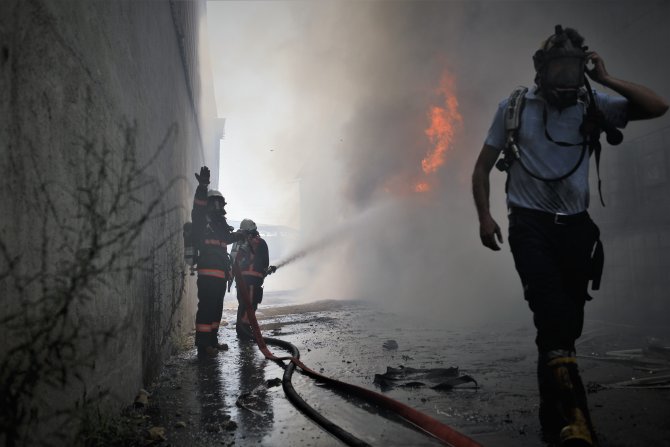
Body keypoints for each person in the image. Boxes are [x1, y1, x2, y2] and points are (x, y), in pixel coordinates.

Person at [472, 26, 667, 446]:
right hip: (530, 227)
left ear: (582, 70)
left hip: (576, 228)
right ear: (541, 70)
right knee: (553, 319)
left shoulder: (591, 105)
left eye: (572, 69)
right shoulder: (515, 109)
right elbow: (481, 168)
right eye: (558, 68)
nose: (565, 78)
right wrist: (485, 217)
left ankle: (552, 418)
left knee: (564, 330)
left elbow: (658, 106)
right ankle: (578, 421)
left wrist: (606, 79)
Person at [191, 166, 245, 358]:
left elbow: (227, 238)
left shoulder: (219, 224)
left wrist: (241, 234)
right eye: (217, 203)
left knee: (216, 309)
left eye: (221, 203)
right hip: (208, 273)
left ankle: (212, 341)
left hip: (220, 274)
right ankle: (203, 346)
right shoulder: (202, 221)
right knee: (206, 308)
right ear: (210, 203)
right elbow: (197, 207)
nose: (220, 207)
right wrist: (203, 187)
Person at [230, 218, 269, 339]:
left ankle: (242, 330)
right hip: (253, 280)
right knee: (250, 306)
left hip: (240, 280)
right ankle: (245, 332)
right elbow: (265, 263)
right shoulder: (260, 242)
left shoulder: (237, 243)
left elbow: (233, 260)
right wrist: (265, 270)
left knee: (243, 304)